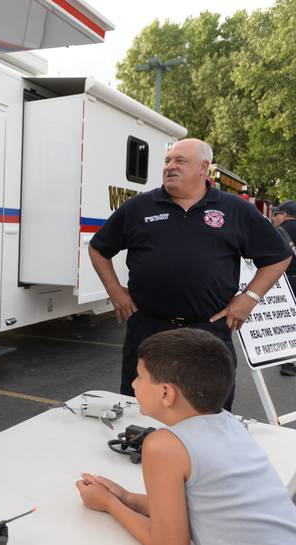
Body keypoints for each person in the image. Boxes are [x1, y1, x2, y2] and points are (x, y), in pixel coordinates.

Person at [89, 138, 291, 409]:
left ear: (203, 168)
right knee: (142, 410)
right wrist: (115, 292)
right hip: (149, 329)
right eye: (167, 161)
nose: (170, 167)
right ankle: (146, 451)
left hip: (207, 330)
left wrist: (248, 299)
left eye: (180, 161)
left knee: (208, 412)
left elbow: (279, 256)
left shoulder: (235, 210)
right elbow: (98, 249)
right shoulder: (139, 208)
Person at [75, 328, 296, 545]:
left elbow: (168, 541)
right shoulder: (230, 423)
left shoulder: (163, 446)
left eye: (140, 377)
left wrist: (109, 504)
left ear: (166, 393)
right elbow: (198, 510)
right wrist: (126, 497)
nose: (133, 384)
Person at [272, 200, 296, 376]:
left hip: (288, 282)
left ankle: (288, 361)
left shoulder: (279, 232)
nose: (274, 218)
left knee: (288, 320)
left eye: (276, 214)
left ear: (285, 215)